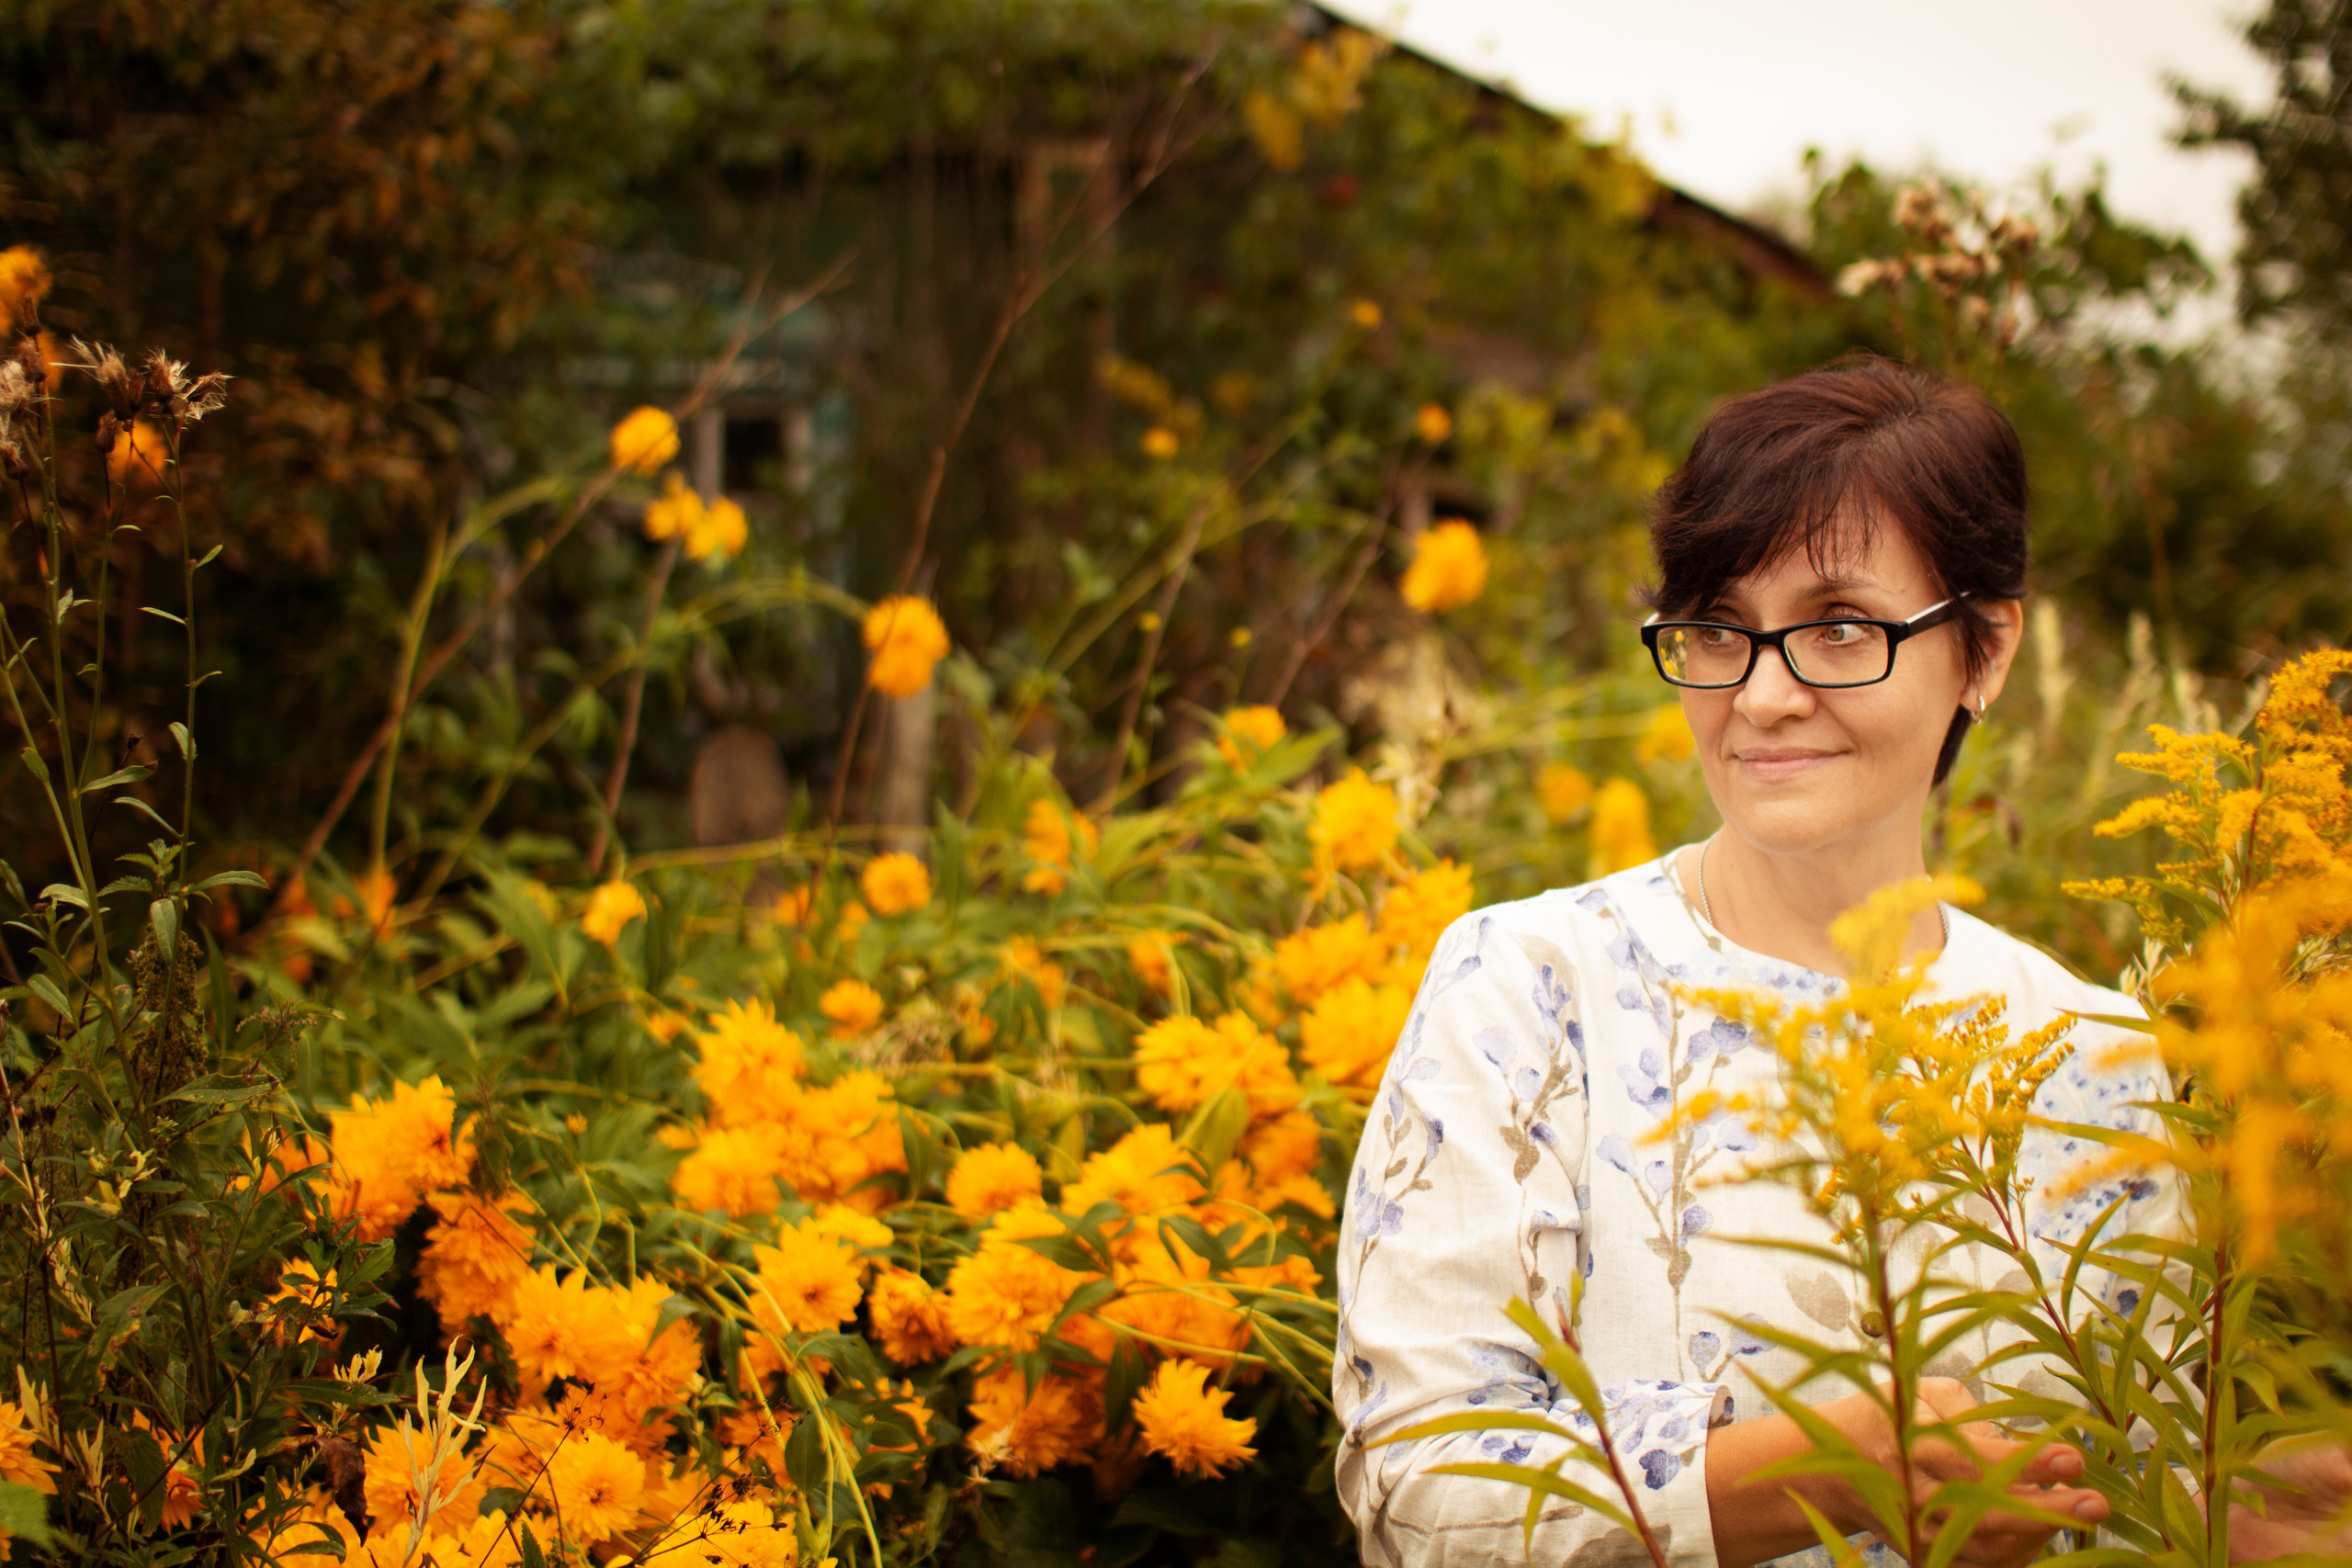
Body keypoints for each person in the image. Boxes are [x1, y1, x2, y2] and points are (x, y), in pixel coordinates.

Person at [1331, 358, 2312, 1568]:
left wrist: (2239, 1514)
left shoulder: (2097, 1056)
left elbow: (2122, 1487)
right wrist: (1828, 1470)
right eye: (1719, 629)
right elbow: (1419, 1489)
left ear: (1987, 651)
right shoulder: (1527, 987)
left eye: (1840, 628)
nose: (1764, 695)